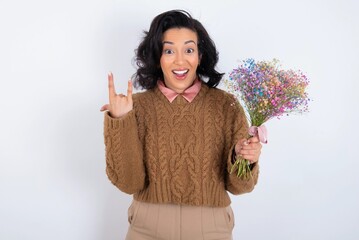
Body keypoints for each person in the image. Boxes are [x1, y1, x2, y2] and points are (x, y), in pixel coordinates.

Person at [100, 9, 262, 240]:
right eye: (168, 50)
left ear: (200, 56)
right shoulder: (135, 107)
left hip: (211, 228)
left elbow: (240, 187)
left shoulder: (227, 106)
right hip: (147, 226)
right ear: (158, 57)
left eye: (188, 49)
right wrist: (120, 121)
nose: (179, 60)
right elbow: (128, 183)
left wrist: (244, 158)